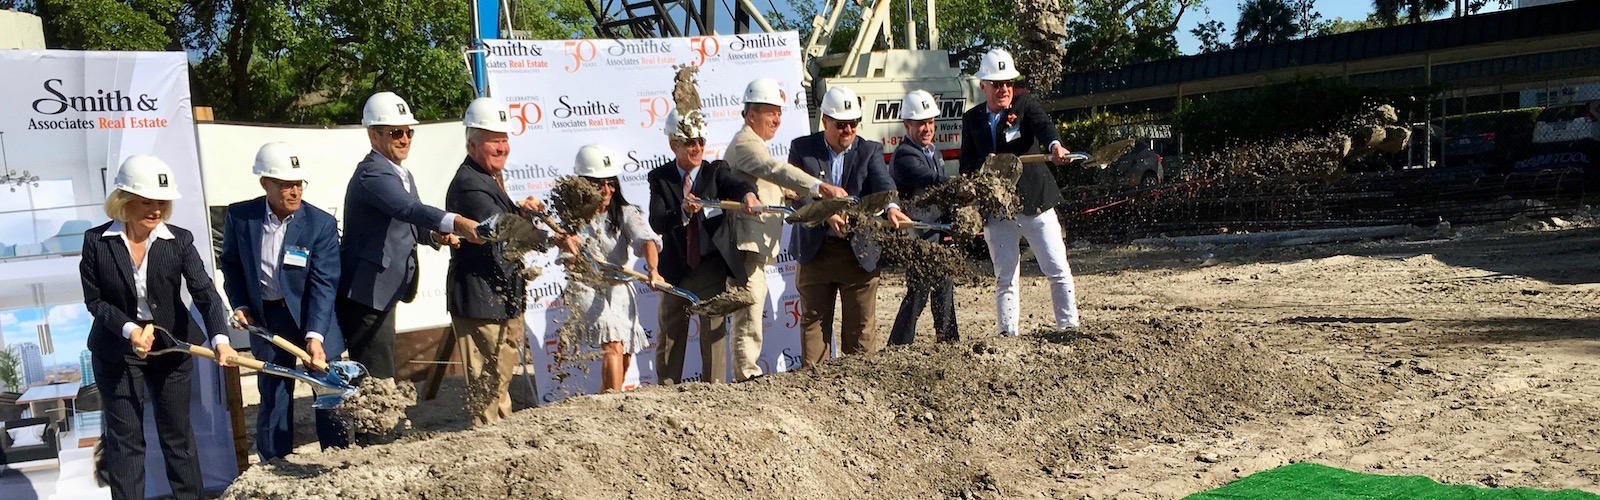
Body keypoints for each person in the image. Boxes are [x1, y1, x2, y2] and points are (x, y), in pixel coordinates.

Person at [80, 155, 227, 500]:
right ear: (123, 200)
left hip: (171, 347)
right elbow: (96, 302)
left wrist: (220, 338)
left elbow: (204, 292)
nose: (156, 209)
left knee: (178, 437)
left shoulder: (180, 240)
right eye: (147, 201)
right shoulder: (96, 243)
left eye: (161, 201)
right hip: (117, 349)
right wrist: (131, 330)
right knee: (126, 441)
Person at [337, 91, 484, 381]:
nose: (404, 139)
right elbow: (406, 208)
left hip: (382, 290)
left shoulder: (400, 173)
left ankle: (381, 425)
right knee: (375, 374)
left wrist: (435, 235)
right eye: (396, 132)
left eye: (408, 132)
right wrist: (456, 222)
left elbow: (412, 225)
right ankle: (376, 427)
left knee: (379, 367)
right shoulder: (373, 174)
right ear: (374, 136)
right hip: (366, 294)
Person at [217, 142, 348, 460]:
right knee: (274, 392)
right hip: (268, 319)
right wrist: (241, 305)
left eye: (298, 184)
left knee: (327, 390)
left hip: (313, 317)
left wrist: (314, 336)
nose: (294, 191)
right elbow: (231, 265)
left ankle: (340, 459)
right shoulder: (241, 218)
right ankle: (276, 464)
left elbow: (324, 285)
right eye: (286, 184)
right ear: (265, 183)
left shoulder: (320, 225)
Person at [722, 78, 848, 380]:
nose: (777, 119)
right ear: (751, 114)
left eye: (779, 113)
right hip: (747, 244)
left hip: (756, 244)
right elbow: (773, 169)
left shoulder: (754, 143)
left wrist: (785, 193)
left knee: (752, 307)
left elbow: (764, 181)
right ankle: (746, 376)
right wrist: (818, 186)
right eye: (770, 113)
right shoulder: (746, 143)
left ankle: (746, 373)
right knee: (749, 310)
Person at [958, 48, 1081, 336]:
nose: (1004, 90)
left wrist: (1055, 146)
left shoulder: (1025, 104)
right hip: (998, 210)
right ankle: (1006, 333)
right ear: (983, 86)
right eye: (997, 84)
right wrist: (983, 165)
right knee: (1005, 277)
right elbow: (966, 164)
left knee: (1057, 268)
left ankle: (1068, 326)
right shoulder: (972, 119)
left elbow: (1044, 128)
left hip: (1035, 202)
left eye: (1008, 84)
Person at [787, 86, 910, 367]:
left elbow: (884, 185)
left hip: (859, 254)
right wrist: (824, 212)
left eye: (853, 124)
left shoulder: (870, 150)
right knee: (814, 328)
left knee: (860, 332)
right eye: (841, 125)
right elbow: (795, 193)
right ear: (825, 122)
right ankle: (814, 392)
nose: (848, 130)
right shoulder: (802, 150)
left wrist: (892, 208)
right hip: (815, 253)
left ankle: (859, 396)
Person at [444, 97, 546, 426]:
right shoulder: (470, 184)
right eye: (494, 141)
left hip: (502, 298)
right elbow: (501, 231)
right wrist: (549, 238)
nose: (502, 147)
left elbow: (503, 220)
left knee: (500, 385)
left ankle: (501, 448)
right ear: (473, 144)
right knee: (487, 391)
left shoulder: (489, 179)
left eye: (504, 139)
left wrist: (520, 211)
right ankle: (487, 453)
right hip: (481, 301)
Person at [646, 108, 759, 384]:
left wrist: (747, 194)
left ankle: (715, 393)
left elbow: (735, 184)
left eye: (700, 142)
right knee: (671, 338)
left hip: (709, 269)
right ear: (673, 144)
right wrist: (683, 212)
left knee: (714, 337)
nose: (696, 148)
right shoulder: (660, 178)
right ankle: (666, 392)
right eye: (689, 143)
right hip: (675, 271)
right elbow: (658, 221)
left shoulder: (715, 171)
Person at [560, 144, 662, 392]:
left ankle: (604, 402)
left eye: (610, 183)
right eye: (599, 184)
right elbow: (567, 259)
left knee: (623, 353)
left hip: (619, 286)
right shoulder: (572, 218)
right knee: (613, 343)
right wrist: (575, 252)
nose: (606, 190)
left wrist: (653, 270)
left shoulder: (626, 212)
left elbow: (646, 240)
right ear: (583, 185)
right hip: (586, 286)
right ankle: (615, 404)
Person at [888, 89, 959, 344]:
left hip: (933, 230)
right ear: (907, 125)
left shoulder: (933, 152)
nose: (927, 128)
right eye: (920, 124)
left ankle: (949, 340)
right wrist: (962, 186)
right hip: (916, 232)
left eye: (930, 122)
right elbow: (932, 181)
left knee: (944, 284)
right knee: (918, 291)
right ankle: (899, 344)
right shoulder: (906, 156)